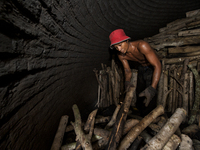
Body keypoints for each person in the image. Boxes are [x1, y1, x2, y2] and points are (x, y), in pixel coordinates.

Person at [109, 29, 161, 108]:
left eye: (120, 45)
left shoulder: (142, 45)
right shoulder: (121, 55)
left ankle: (152, 114)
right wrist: (127, 82)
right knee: (140, 93)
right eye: (116, 47)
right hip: (141, 67)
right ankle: (141, 113)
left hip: (152, 68)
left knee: (150, 93)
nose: (119, 49)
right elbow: (127, 70)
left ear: (127, 40)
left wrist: (152, 88)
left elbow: (157, 65)